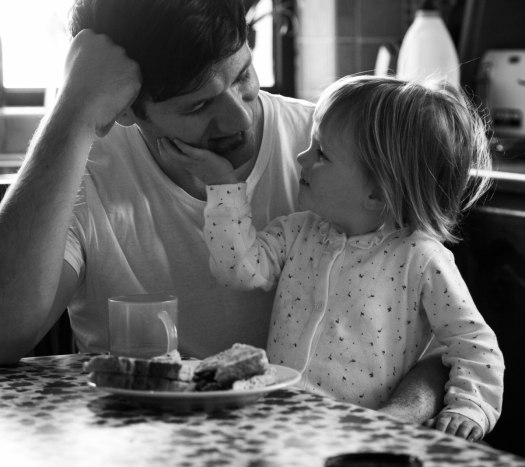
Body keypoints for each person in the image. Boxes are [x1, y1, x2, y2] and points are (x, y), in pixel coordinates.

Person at [0, 0, 449, 424]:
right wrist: (72, 110)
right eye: (197, 106)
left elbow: (447, 346)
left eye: (243, 77)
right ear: (127, 109)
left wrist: (387, 428)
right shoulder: (87, 172)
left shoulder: (334, 155)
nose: (238, 120)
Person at [160, 74, 504, 440]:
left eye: (320, 153)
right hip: (282, 429)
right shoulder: (297, 231)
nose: (301, 157)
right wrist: (225, 186)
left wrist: (470, 406)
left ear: (377, 193)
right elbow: (239, 271)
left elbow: (473, 343)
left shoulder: (422, 260)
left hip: (360, 443)